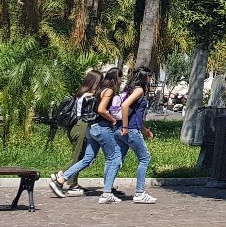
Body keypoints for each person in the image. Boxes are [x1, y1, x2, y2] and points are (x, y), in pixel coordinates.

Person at [50, 69, 103, 197]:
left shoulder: (80, 93)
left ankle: (71, 182)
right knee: (78, 157)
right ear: (94, 82)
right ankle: (62, 177)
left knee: (80, 156)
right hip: (82, 126)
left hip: (76, 126)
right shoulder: (88, 96)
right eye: (100, 82)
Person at [116, 67, 156, 204]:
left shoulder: (129, 89)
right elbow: (125, 106)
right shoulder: (139, 90)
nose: (151, 80)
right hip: (130, 130)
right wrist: (126, 127)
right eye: (150, 77)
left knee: (117, 158)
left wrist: (145, 130)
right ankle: (139, 192)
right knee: (145, 158)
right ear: (145, 77)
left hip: (126, 128)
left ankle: (107, 190)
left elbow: (133, 113)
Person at [85, 68, 124, 204]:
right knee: (114, 158)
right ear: (116, 78)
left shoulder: (100, 89)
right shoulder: (109, 91)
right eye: (120, 78)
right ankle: (107, 192)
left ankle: (107, 189)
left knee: (102, 158)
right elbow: (101, 109)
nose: (121, 81)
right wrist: (113, 119)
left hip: (93, 127)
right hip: (103, 127)